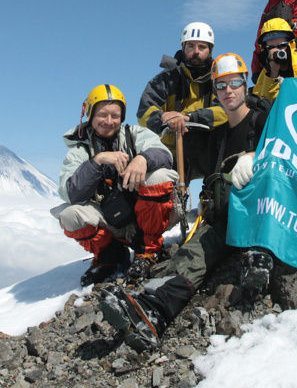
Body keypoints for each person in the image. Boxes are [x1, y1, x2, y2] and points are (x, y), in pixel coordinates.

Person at [98, 54, 272, 351]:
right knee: (192, 256)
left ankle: (259, 257)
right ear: (214, 91)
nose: (228, 91)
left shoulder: (264, 119)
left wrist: (258, 157)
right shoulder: (215, 135)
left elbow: (292, 153)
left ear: (246, 85)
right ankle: (154, 312)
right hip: (223, 217)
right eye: (221, 86)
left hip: (262, 214)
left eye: (234, 83)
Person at [52, 84, 179, 286]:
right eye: (102, 115)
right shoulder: (80, 151)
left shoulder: (134, 135)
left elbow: (164, 154)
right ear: (90, 115)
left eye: (115, 116)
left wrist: (143, 159)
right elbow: (71, 192)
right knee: (69, 215)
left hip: (147, 217)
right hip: (110, 222)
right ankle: (111, 256)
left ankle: (148, 252)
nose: (109, 122)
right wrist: (98, 161)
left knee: (160, 177)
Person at [137, 22, 228, 182]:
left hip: (209, 149)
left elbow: (226, 110)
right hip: (171, 150)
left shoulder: (219, 79)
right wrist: (163, 117)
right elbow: (144, 111)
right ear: (183, 47)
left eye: (202, 47)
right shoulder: (166, 79)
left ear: (211, 50)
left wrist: (189, 118)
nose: (196, 52)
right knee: (155, 182)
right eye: (191, 46)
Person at [252, 18, 297, 102]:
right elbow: (264, 104)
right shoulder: (265, 74)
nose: (277, 51)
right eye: (271, 48)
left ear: (290, 43)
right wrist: (273, 74)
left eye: (281, 46)